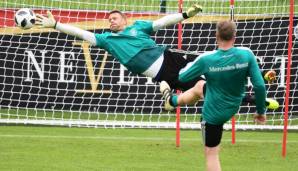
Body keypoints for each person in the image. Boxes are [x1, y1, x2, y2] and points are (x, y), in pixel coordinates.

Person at [35, 6, 278, 109]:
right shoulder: (108, 40)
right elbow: (83, 33)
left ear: (125, 20)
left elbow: (161, 22)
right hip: (164, 73)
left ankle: (258, 81)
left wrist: (183, 15)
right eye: (109, 19)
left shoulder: (138, 27)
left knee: (217, 62)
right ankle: (256, 99)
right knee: (207, 88)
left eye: (115, 17)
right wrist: (56, 24)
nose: (111, 20)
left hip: (170, 56)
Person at [160, 20, 269, 171]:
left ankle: (171, 101)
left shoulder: (206, 59)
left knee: (211, 153)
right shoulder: (247, 54)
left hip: (213, 115)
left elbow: (182, 77)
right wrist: (261, 111)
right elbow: (260, 86)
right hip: (232, 105)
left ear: (216, 35)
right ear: (235, 36)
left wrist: (195, 64)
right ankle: (172, 101)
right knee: (199, 87)